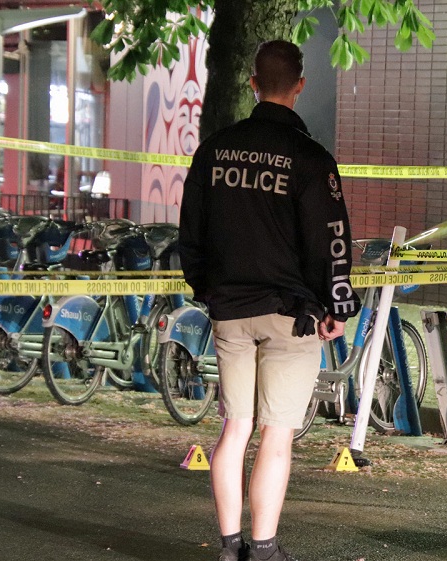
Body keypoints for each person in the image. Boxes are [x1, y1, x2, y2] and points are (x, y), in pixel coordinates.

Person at [178, 40, 360, 561]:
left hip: (230, 311)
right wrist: (335, 306)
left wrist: (207, 288)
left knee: (234, 427)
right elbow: (332, 240)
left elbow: (190, 231)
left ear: (252, 82)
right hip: (291, 316)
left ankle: (229, 546)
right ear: (299, 85)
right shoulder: (310, 159)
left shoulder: (215, 150)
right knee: (276, 435)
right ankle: (264, 548)